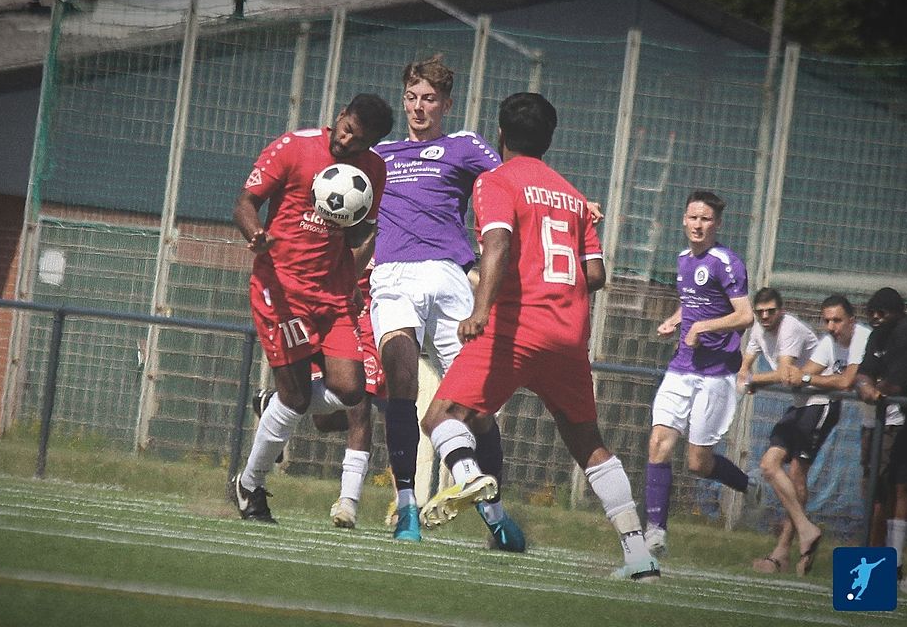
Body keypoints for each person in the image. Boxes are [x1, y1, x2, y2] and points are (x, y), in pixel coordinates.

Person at [417, 92, 659, 580]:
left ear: (500, 134)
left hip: (514, 327)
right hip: (568, 334)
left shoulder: (496, 180)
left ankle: (465, 477)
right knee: (588, 442)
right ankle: (638, 554)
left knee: (440, 417)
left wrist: (480, 309)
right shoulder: (572, 196)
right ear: (549, 140)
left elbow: (498, 241)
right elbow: (595, 275)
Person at [369, 55, 523, 548]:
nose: (418, 107)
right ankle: (408, 509)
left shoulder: (462, 145)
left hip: (452, 278)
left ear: (446, 103)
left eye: (429, 98)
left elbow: (512, 181)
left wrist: (574, 203)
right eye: (412, 97)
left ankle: (496, 517)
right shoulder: (380, 155)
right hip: (393, 277)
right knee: (402, 382)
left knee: (475, 408)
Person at [231, 93, 394, 522]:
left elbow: (362, 233)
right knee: (298, 398)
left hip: (334, 296)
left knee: (351, 391)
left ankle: (273, 407)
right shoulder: (294, 147)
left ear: (372, 143)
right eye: (345, 129)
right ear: (340, 115)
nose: (346, 141)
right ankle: (250, 485)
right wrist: (256, 235)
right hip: (282, 290)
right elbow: (245, 203)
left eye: (358, 141)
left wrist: (353, 278)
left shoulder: (374, 171)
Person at [643, 190, 757, 559]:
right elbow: (691, 302)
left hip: (716, 374)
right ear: (683, 219)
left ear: (717, 224)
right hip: (681, 367)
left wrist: (703, 327)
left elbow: (745, 315)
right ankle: (655, 531)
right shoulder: (681, 260)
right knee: (659, 441)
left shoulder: (726, 262)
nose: (698, 225)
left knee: (698, 462)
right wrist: (675, 320)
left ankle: (746, 485)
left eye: (706, 219)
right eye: (693, 217)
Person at [743, 292, 870, 577]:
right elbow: (800, 374)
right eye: (826, 320)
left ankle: (782, 554)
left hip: (821, 408)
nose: (831, 326)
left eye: (837, 320)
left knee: (799, 474)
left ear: (851, 319)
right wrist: (797, 376)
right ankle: (805, 529)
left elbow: (844, 381)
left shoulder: (862, 337)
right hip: (801, 406)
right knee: (768, 465)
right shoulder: (828, 342)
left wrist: (773, 378)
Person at [252, 260, 385, 529]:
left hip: (369, 314)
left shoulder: (385, 223)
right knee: (322, 419)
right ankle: (274, 404)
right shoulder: (339, 225)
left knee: (359, 403)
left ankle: (348, 501)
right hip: (327, 306)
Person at [855, 287, 907, 584]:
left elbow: (897, 383)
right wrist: (866, 385)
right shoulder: (876, 335)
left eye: (883, 312)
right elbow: (865, 372)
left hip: (903, 419)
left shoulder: (906, 331)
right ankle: (895, 564)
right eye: (872, 313)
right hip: (906, 423)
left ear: (899, 312)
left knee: (900, 488)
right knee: (897, 486)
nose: (877, 318)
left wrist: (879, 388)